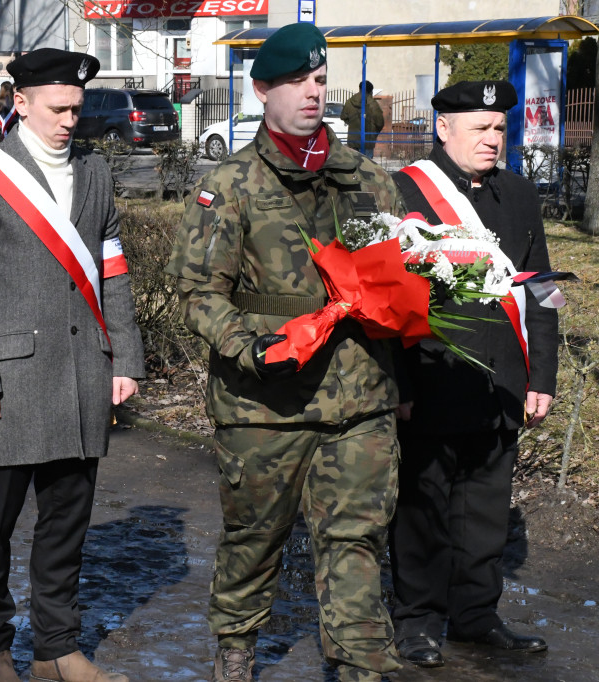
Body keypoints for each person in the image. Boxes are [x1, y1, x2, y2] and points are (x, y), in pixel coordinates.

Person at [167, 23, 407, 682]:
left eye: (320, 79)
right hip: (263, 405)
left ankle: (363, 667)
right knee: (254, 539)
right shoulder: (231, 184)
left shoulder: (367, 180)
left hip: (358, 400)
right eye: (296, 80)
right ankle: (236, 651)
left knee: (356, 542)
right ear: (262, 89)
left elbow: (398, 279)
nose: (312, 92)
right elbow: (196, 291)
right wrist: (252, 347)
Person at [0, 47, 145, 682]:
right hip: (9, 380)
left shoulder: (96, 173)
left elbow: (111, 271)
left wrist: (126, 357)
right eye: (57, 108)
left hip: (83, 374)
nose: (68, 121)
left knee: (66, 526)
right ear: (20, 103)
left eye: (76, 109)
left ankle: (58, 648)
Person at [387, 80, 559, 668]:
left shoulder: (518, 192)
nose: (492, 140)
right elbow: (386, 298)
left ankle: (476, 616)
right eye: (480, 129)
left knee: (487, 509)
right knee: (422, 507)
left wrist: (542, 375)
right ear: (443, 128)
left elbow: (540, 287)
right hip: (431, 377)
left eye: (499, 129)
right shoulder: (406, 190)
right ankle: (415, 620)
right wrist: (399, 385)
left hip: (502, 378)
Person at [341, 81, 384, 157]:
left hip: (353, 140)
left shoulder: (349, 102)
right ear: (371, 91)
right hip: (368, 141)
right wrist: (374, 132)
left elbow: (343, 116)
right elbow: (380, 123)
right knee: (367, 166)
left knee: (354, 165)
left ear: (360, 88)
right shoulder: (373, 105)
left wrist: (352, 124)